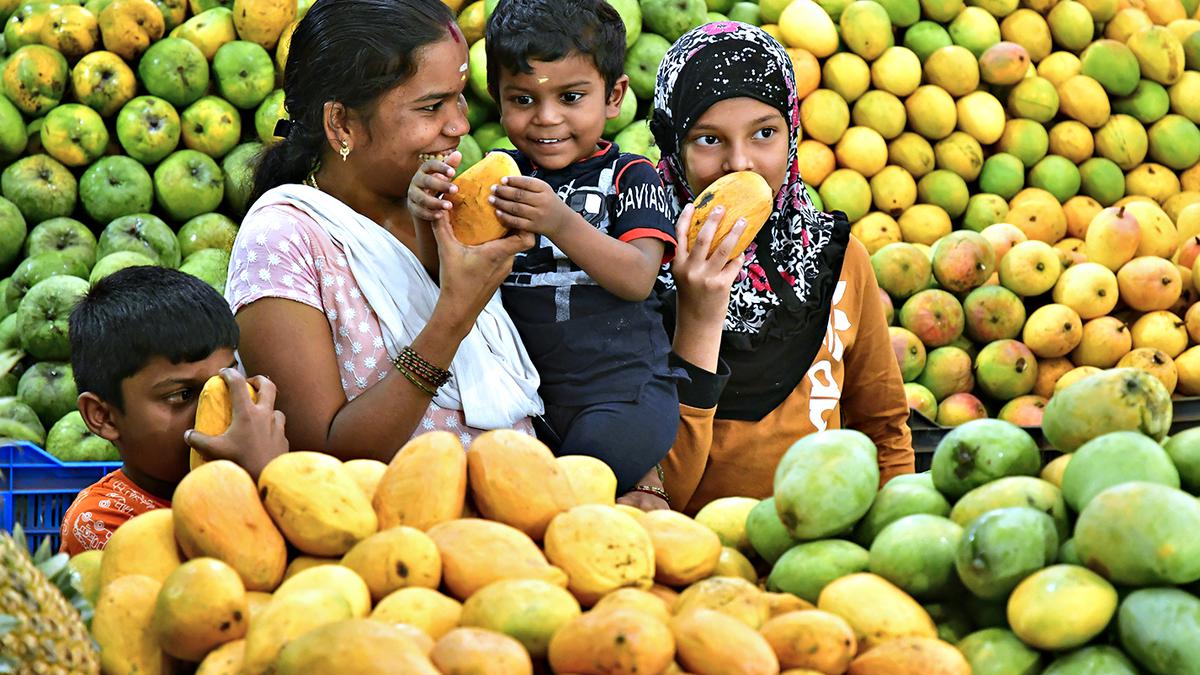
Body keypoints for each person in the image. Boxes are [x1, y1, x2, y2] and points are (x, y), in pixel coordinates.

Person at [229, 0, 544, 463]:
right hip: (388, 531)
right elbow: (319, 459)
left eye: (458, 96)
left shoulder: (447, 206)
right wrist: (454, 314)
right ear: (341, 123)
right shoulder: (282, 239)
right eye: (431, 106)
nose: (459, 124)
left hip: (513, 520)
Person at [413, 0, 681, 498]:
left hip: (622, 397)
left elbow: (638, 276)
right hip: (528, 401)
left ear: (614, 96)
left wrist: (561, 221)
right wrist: (425, 210)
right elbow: (444, 271)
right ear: (496, 98)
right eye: (523, 100)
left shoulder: (631, 175)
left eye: (572, 97)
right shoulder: (499, 175)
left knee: (566, 494)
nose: (547, 118)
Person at [649, 22, 915, 514]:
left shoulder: (837, 261)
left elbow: (883, 428)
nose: (741, 163)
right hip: (692, 558)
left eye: (765, 133)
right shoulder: (640, 269)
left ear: (793, 133)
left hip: (818, 553)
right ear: (673, 147)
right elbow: (661, 490)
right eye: (708, 139)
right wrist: (700, 317)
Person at [60, 267, 287, 555]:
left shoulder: (260, 460)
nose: (213, 403)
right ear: (102, 416)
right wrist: (263, 477)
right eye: (182, 394)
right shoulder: (100, 522)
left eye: (226, 381)